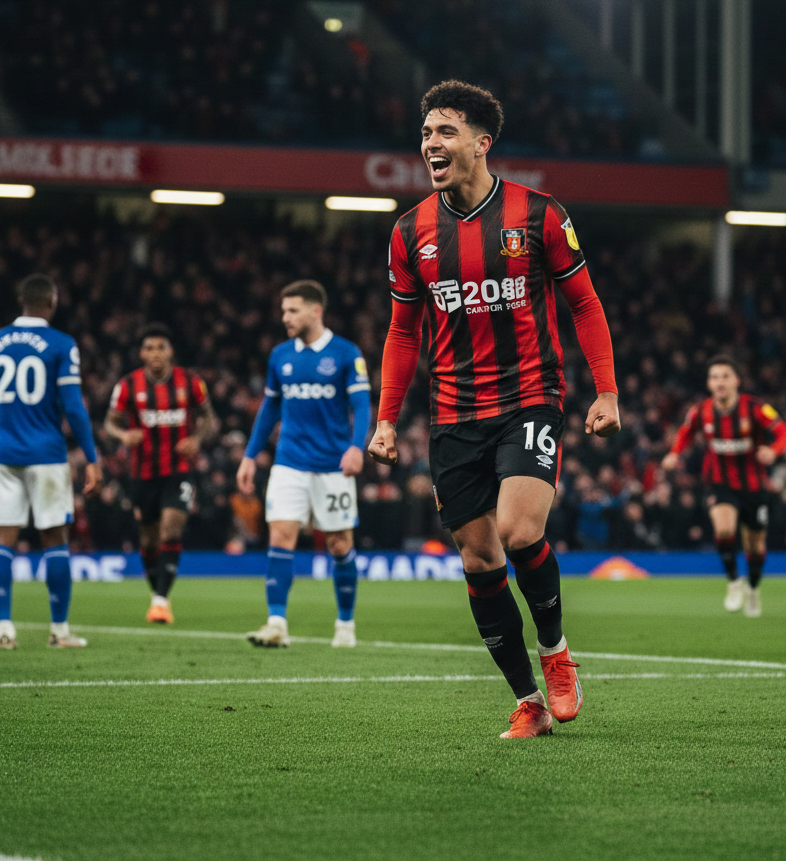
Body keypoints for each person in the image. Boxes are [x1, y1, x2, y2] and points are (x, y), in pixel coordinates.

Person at [368, 80, 620, 739]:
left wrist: (607, 390)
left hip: (529, 398)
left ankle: (557, 650)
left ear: (483, 143)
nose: (431, 145)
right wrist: (387, 417)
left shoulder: (539, 216)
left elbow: (585, 305)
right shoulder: (409, 232)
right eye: (426, 133)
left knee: (519, 531)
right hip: (453, 412)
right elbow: (402, 333)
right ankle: (528, 701)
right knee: (479, 560)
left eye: (444, 132)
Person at [237, 280, 372, 648]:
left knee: (339, 545)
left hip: (333, 466)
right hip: (289, 462)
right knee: (280, 537)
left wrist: (356, 447)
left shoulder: (346, 354)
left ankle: (345, 625)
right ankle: (276, 623)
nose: (286, 317)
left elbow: (361, 406)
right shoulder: (280, 355)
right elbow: (269, 409)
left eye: (293, 310)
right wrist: (250, 455)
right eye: (284, 311)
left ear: (316, 311)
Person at [0, 274, 102, 649]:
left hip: (5, 452)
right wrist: (91, 456)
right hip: (46, 453)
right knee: (55, 539)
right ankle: (59, 630)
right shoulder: (61, 344)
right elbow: (74, 407)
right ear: (52, 301)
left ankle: (4, 629)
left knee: (2, 540)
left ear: (21, 299)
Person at [662, 355, 786, 617]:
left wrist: (773, 451)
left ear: (736, 380)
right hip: (718, 482)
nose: (719, 382)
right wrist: (674, 453)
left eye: (724, 376)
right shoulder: (701, 410)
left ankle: (754, 589)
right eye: (714, 377)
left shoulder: (755, 408)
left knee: (755, 546)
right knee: (724, 530)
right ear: (709, 383)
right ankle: (734, 582)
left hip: (755, 487)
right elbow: (686, 432)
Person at [105, 324, 215, 623]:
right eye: (150, 348)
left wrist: (196, 439)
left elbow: (209, 419)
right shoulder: (128, 385)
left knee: (172, 528)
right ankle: (157, 594)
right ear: (142, 353)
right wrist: (124, 436)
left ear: (170, 352)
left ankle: (161, 601)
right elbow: (110, 422)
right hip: (142, 474)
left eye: (161, 347)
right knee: (150, 540)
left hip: (179, 470)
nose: (155, 353)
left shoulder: (190, 382)